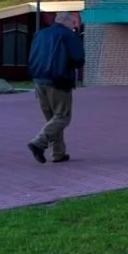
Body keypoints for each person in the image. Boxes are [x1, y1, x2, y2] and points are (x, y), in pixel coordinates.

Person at [27, 11, 85, 163]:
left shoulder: (40, 34)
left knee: (52, 119)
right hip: (59, 80)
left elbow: (32, 55)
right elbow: (79, 58)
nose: (74, 26)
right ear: (65, 21)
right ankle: (38, 142)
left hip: (39, 80)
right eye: (73, 22)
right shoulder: (68, 35)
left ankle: (58, 153)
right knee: (62, 117)